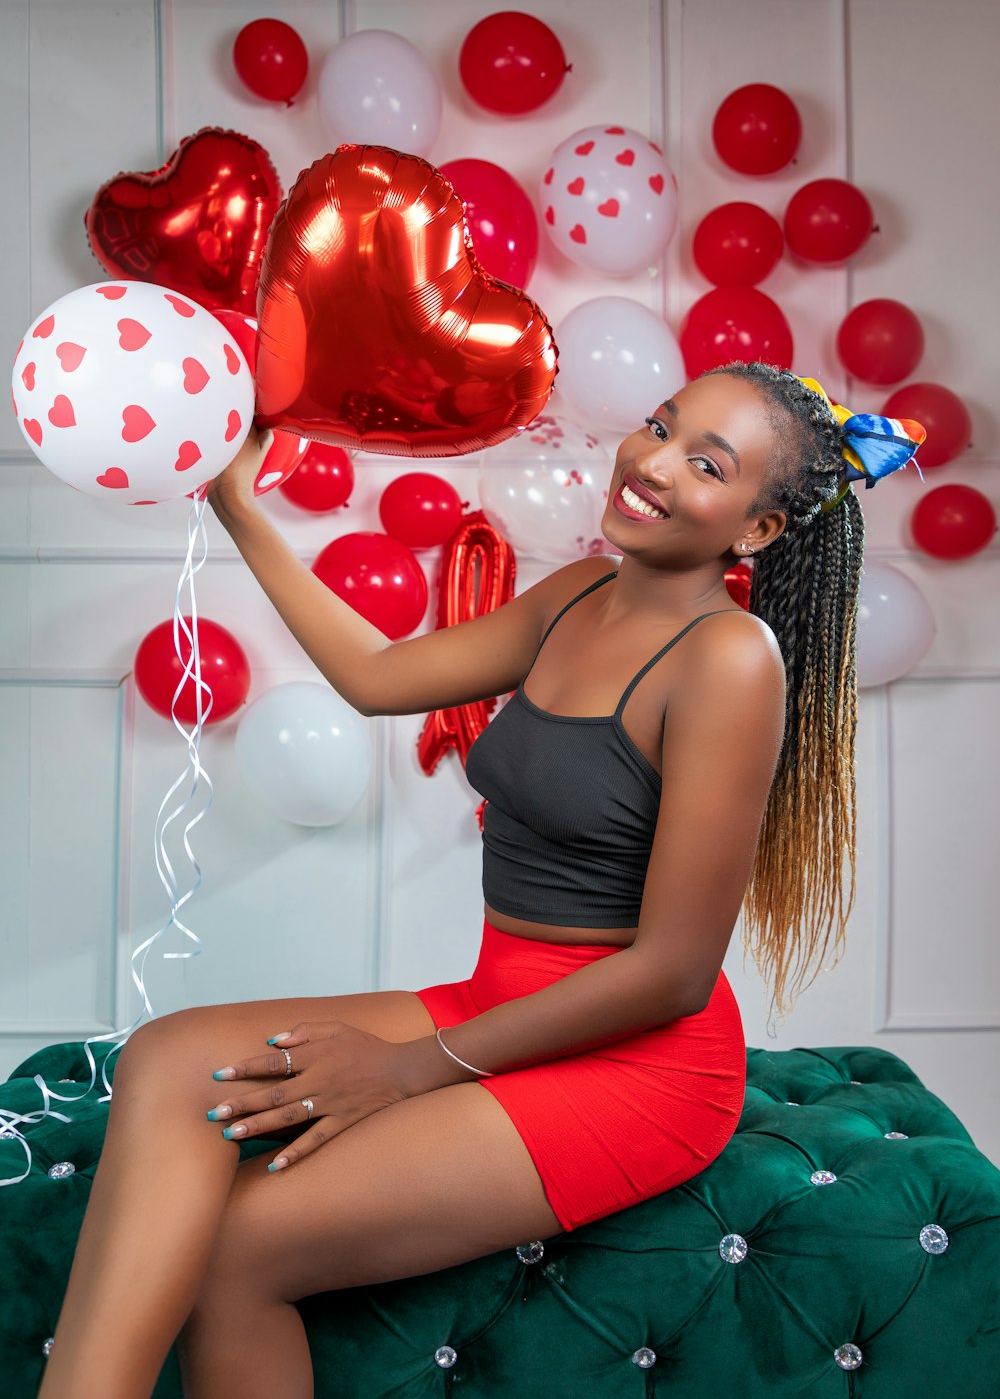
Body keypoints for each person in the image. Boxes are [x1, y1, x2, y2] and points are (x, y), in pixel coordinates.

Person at [38, 360, 905, 1399]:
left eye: (705, 464)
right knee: (169, 1055)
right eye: (658, 426)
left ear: (755, 531)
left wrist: (412, 1066)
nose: (652, 463)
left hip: (641, 1065)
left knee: (237, 1249)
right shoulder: (579, 592)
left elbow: (672, 972)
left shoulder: (729, 659)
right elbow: (376, 679)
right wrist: (237, 503)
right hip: (505, 996)